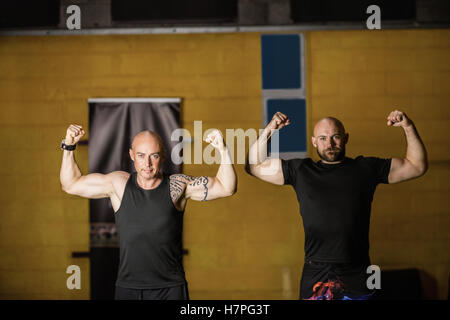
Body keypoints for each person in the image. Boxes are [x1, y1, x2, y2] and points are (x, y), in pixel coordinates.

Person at [246, 110, 428, 300]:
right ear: (314, 141)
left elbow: (416, 165)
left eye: (336, 137)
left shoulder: (366, 168)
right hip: (316, 270)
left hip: (359, 270)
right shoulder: (300, 171)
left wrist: (408, 127)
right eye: (323, 138)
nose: (330, 144)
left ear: (346, 138)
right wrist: (270, 130)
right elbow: (253, 166)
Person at [60, 125, 237, 300]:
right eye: (141, 155)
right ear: (131, 155)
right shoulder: (118, 184)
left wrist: (223, 150)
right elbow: (71, 184)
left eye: (154, 155)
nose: (147, 163)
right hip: (129, 288)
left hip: (171, 289)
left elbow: (226, 187)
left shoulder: (178, 186)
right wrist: (68, 146)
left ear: (163, 156)